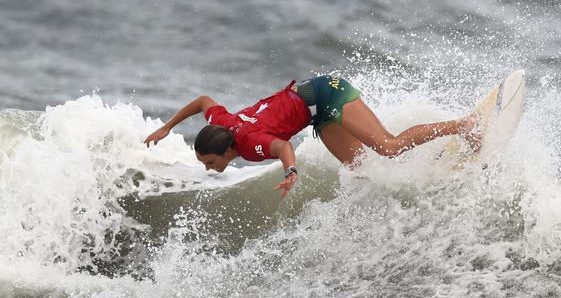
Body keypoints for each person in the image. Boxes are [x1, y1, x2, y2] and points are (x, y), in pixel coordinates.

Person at [144, 75, 480, 198]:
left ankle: (466, 125)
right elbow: (204, 101)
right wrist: (168, 126)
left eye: (209, 162)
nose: (208, 167)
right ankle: (432, 168)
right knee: (360, 169)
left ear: (223, 150)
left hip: (326, 94)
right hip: (317, 112)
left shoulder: (248, 144)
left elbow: (283, 146)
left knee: (388, 147)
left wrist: (290, 172)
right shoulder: (222, 122)